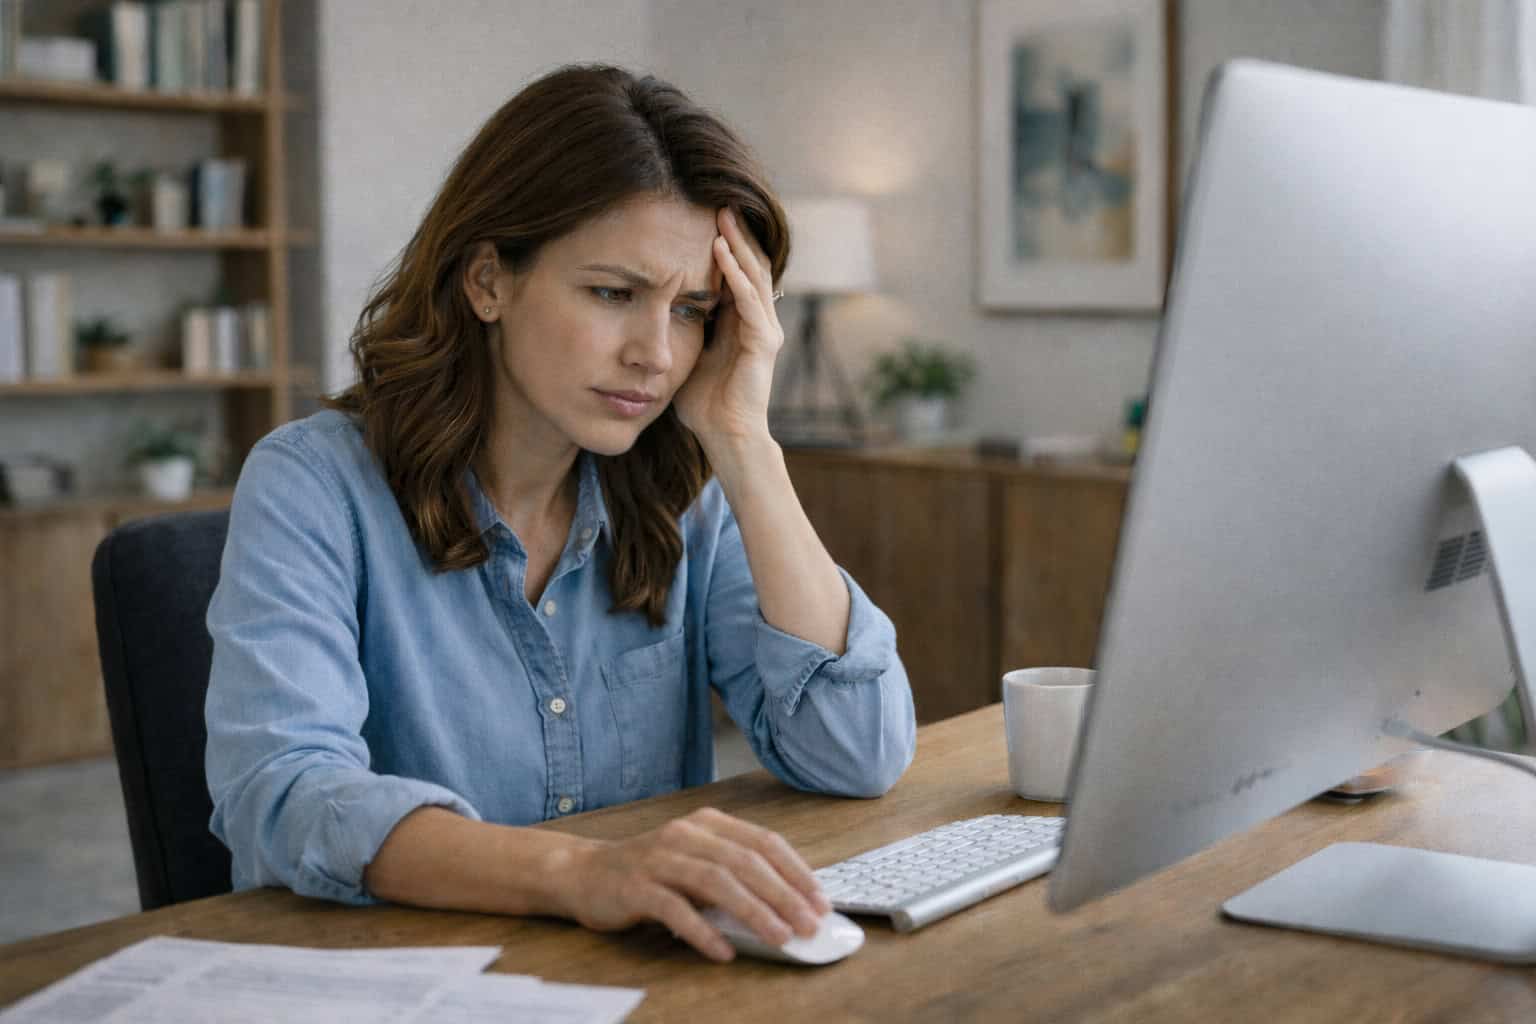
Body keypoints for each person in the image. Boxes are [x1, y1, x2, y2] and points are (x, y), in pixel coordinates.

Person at [203, 64, 916, 964]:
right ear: (488, 281)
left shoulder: (684, 495)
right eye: (614, 293)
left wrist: (746, 443)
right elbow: (283, 796)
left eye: (691, 310)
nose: (656, 354)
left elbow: (857, 753)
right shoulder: (312, 484)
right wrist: (581, 873)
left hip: (643, 980)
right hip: (393, 984)